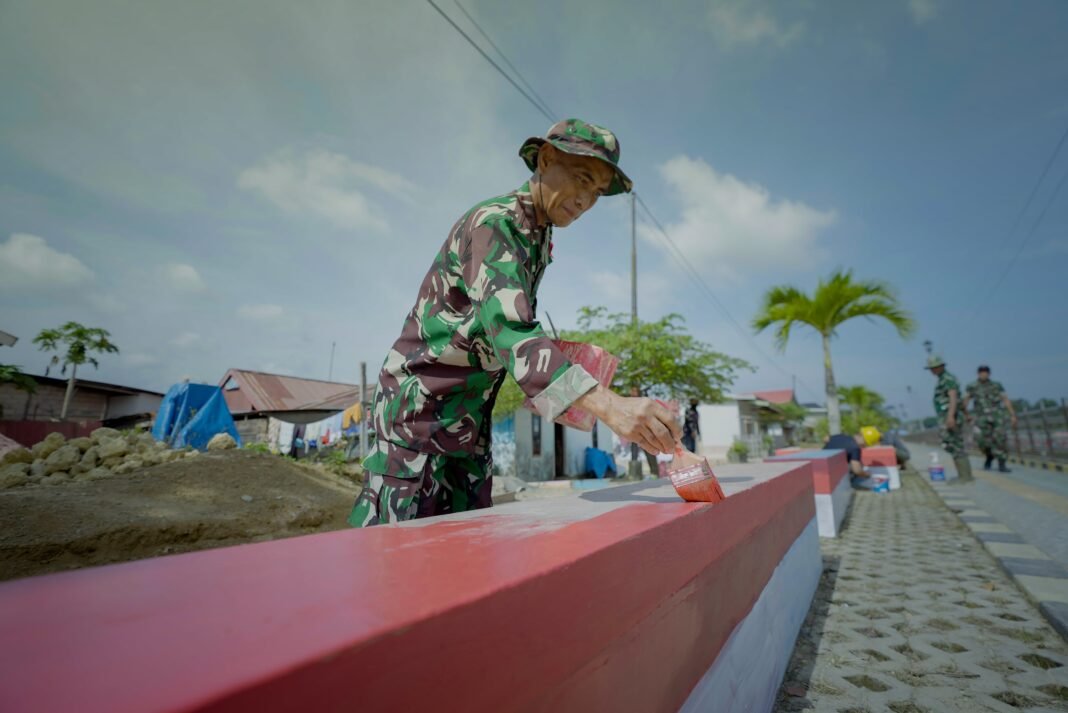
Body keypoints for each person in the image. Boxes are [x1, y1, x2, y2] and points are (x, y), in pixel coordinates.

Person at [349, 119, 680, 527]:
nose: (586, 201)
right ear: (545, 159)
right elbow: (512, 334)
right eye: (581, 179)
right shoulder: (498, 224)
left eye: (596, 192)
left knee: (463, 553)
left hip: (468, 422)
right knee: (393, 560)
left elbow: (494, 328)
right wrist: (610, 406)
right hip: (419, 417)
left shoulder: (537, 235)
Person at [925, 355, 973, 483]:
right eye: (931, 368)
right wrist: (966, 414)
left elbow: (953, 397)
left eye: (934, 367)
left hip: (951, 417)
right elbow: (960, 401)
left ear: (941, 366)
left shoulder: (947, 379)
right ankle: (963, 476)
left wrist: (951, 416)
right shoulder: (942, 379)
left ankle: (965, 477)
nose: (932, 371)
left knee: (956, 445)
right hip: (948, 416)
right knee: (952, 445)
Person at [964, 365, 1017, 472]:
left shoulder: (996, 385)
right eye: (981, 372)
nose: (983, 374)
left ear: (989, 374)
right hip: (981, 418)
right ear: (978, 374)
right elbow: (965, 401)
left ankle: (1002, 464)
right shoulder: (972, 386)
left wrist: (1012, 415)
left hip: (997, 416)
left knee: (1000, 440)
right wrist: (966, 415)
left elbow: (1005, 399)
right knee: (981, 441)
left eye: (985, 372)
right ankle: (989, 456)